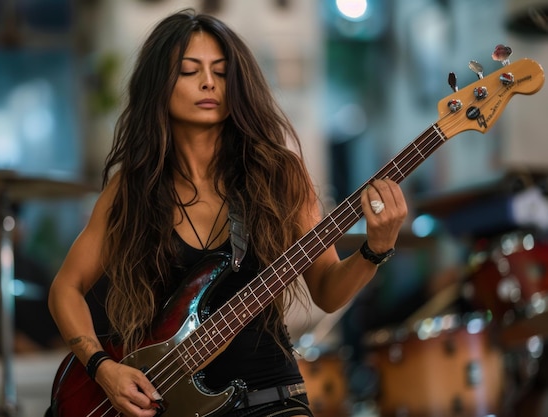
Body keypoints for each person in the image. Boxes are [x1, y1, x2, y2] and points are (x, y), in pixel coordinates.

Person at [48, 9, 407, 417]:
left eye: (221, 72)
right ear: (158, 85)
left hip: (271, 396)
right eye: (189, 71)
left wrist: (373, 251)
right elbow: (66, 288)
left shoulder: (278, 175)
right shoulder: (131, 190)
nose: (209, 83)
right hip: (172, 406)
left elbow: (326, 290)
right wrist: (102, 367)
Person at [0, 201, 63, 355]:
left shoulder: (33, 269)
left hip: (41, 362)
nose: (10, 229)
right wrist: (41, 358)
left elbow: (55, 324)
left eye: (12, 221)